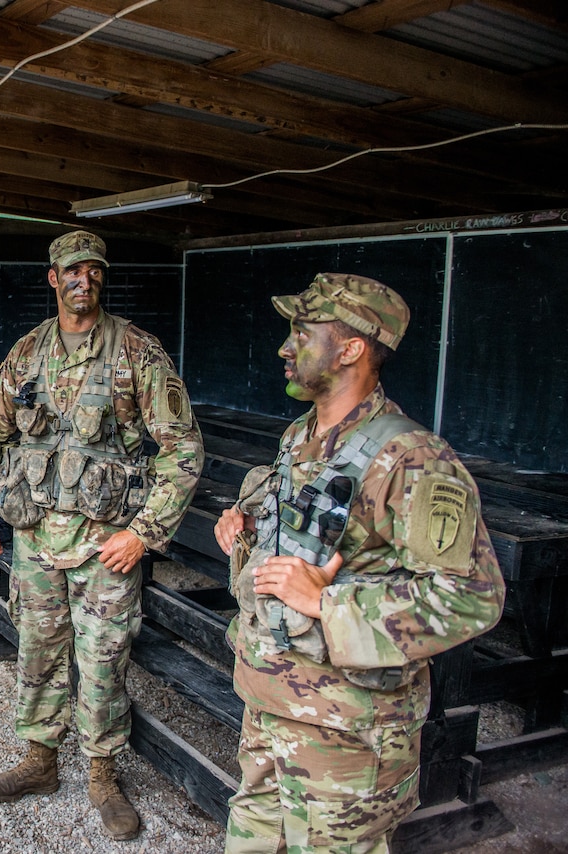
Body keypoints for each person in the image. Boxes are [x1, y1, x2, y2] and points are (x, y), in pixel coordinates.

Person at [213, 273, 505, 853]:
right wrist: (245, 530)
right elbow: (310, 538)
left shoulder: (411, 459)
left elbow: (473, 596)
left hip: (348, 737)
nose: (284, 346)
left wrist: (325, 602)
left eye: (302, 331)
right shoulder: (301, 437)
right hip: (272, 710)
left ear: (351, 349)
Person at [0, 230, 203, 841]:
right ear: (54, 278)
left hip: (104, 547)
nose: (83, 280)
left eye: (94, 270)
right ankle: (40, 762)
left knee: (102, 659)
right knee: (38, 652)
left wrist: (143, 533)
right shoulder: (26, 353)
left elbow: (182, 447)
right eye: (72, 270)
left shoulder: (137, 352)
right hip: (37, 537)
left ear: (102, 277)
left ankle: (102, 775)